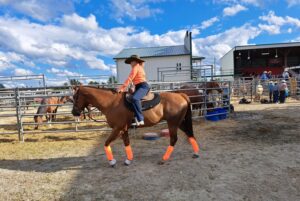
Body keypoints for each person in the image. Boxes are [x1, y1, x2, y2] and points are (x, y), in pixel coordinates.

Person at [117, 55, 149, 126]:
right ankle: (134, 118)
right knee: (130, 98)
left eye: (131, 62)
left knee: (135, 98)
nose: (130, 64)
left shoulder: (136, 67)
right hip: (138, 86)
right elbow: (134, 80)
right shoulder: (139, 67)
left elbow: (130, 78)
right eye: (130, 62)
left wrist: (122, 88)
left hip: (143, 86)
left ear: (135, 61)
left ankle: (141, 119)